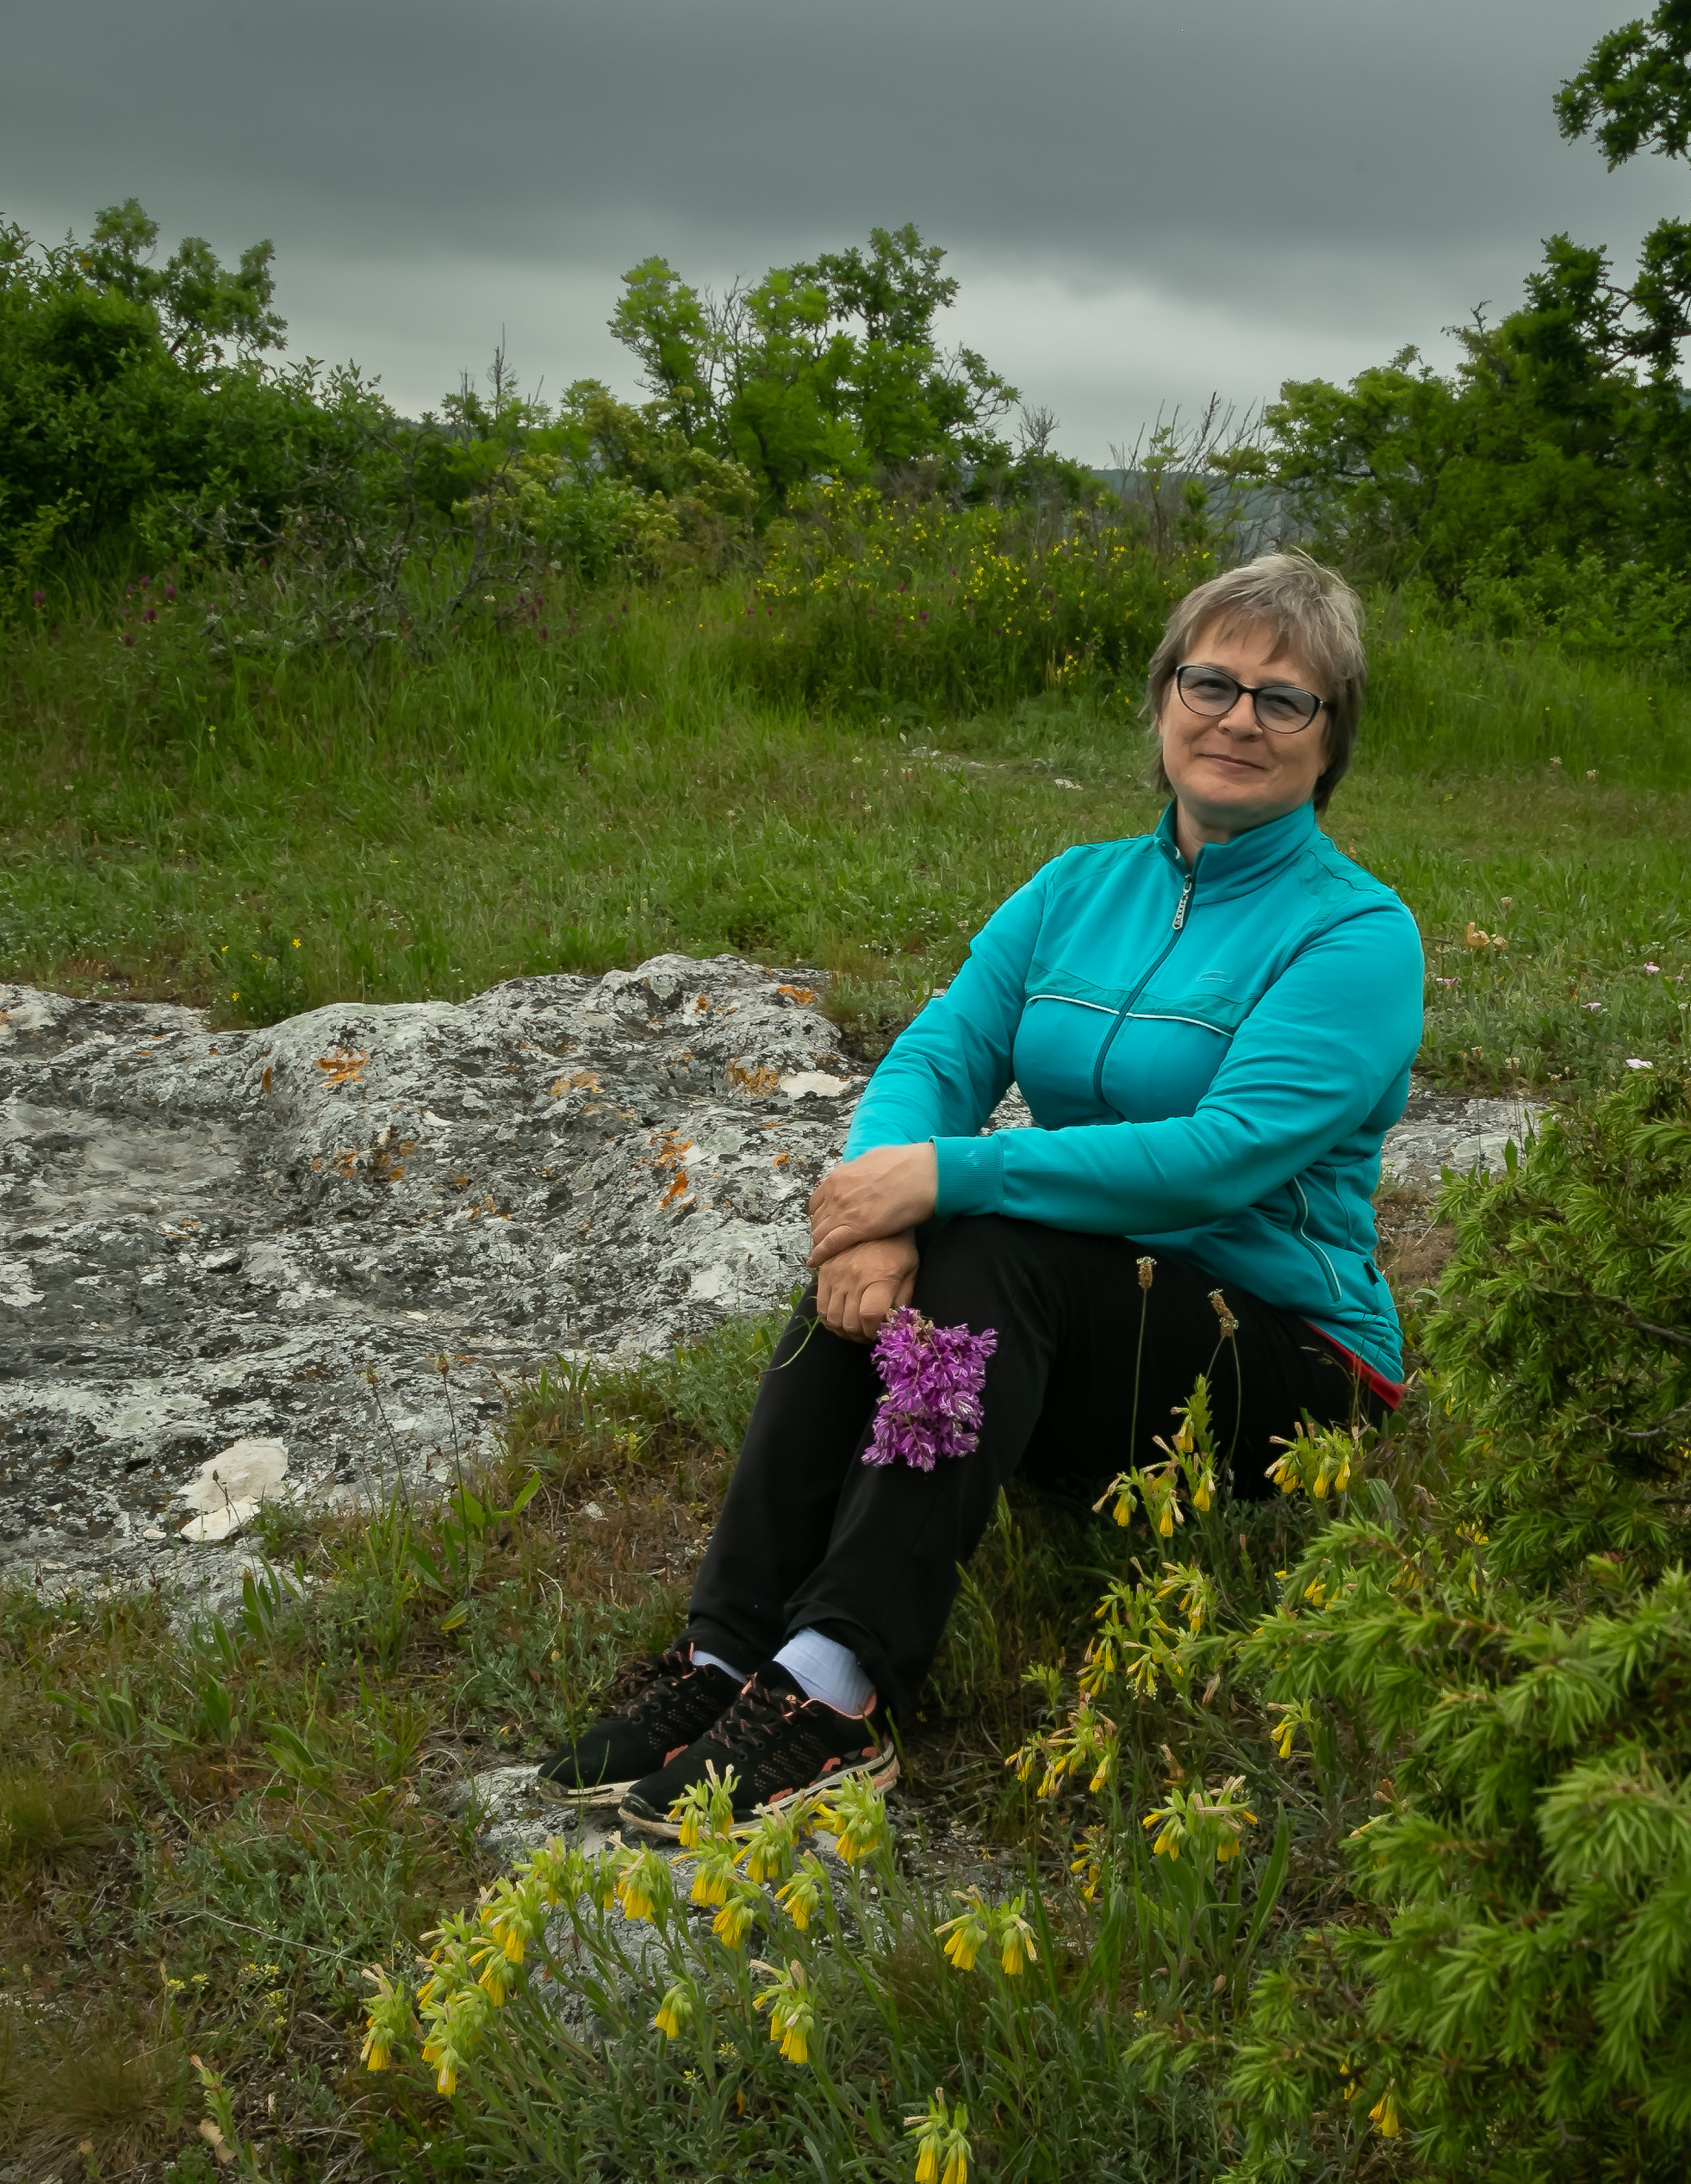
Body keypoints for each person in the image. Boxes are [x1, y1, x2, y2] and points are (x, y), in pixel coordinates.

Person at [542, 547, 1425, 1835]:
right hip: (1086, 1353)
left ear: (1329, 738)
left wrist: (940, 1179)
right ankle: (729, 1657)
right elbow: (943, 1053)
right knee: (950, 1238)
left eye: (1284, 699)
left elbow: (1222, 1153)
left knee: (990, 1235)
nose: (1238, 718)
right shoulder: (1077, 887)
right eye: (1212, 681)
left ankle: (835, 1690)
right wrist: (877, 1218)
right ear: (1163, 698)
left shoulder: (1355, 934)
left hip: (1283, 1363)